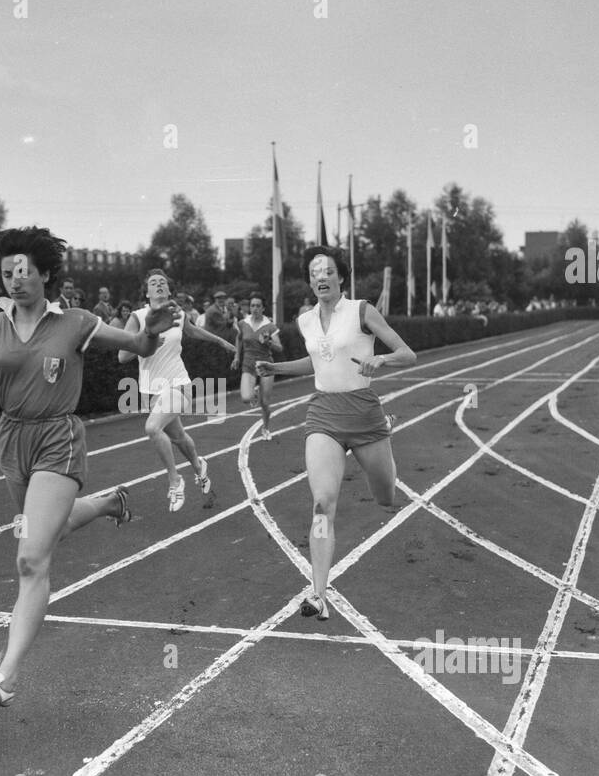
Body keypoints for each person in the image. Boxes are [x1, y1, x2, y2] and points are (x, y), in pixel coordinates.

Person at [0, 227, 179, 708]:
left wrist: (151, 328)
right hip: (12, 440)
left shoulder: (77, 322)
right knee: (49, 528)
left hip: (58, 439)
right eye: (6, 274)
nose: (14, 281)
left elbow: (141, 349)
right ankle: (108, 503)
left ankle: (5, 676)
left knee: (31, 558)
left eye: (23, 272)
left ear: (44, 275)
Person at [256, 247, 416, 620]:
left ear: (341, 277)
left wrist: (382, 358)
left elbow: (408, 354)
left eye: (328, 271)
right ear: (310, 281)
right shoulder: (305, 320)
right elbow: (315, 361)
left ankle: (386, 432)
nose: (322, 277)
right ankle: (318, 594)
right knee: (321, 503)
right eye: (315, 273)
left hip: (363, 411)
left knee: (386, 496)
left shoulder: (362, 310)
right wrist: (274, 367)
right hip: (324, 413)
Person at [119, 268, 234, 512]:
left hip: (179, 384)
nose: (159, 284)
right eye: (153, 282)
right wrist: (147, 340)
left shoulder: (178, 314)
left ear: (169, 290)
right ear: (147, 291)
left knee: (152, 428)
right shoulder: (138, 317)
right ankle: (199, 466)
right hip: (152, 390)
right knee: (178, 437)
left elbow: (194, 331)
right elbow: (122, 356)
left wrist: (221, 341)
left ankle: (175, 480)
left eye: (163, 282)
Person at [233, 295, 283, 439]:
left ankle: (266, 428)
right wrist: (237, 356)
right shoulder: (243, 323)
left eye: (258, 306)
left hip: (265, 366)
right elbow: (239, 338)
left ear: (263, 308)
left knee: (265, 403)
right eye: (252, 305)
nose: (254, 308)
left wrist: (268, 342)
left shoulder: (269, 326)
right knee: (245, 397)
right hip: (248, 364)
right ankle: (254, 392)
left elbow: (279, 348)